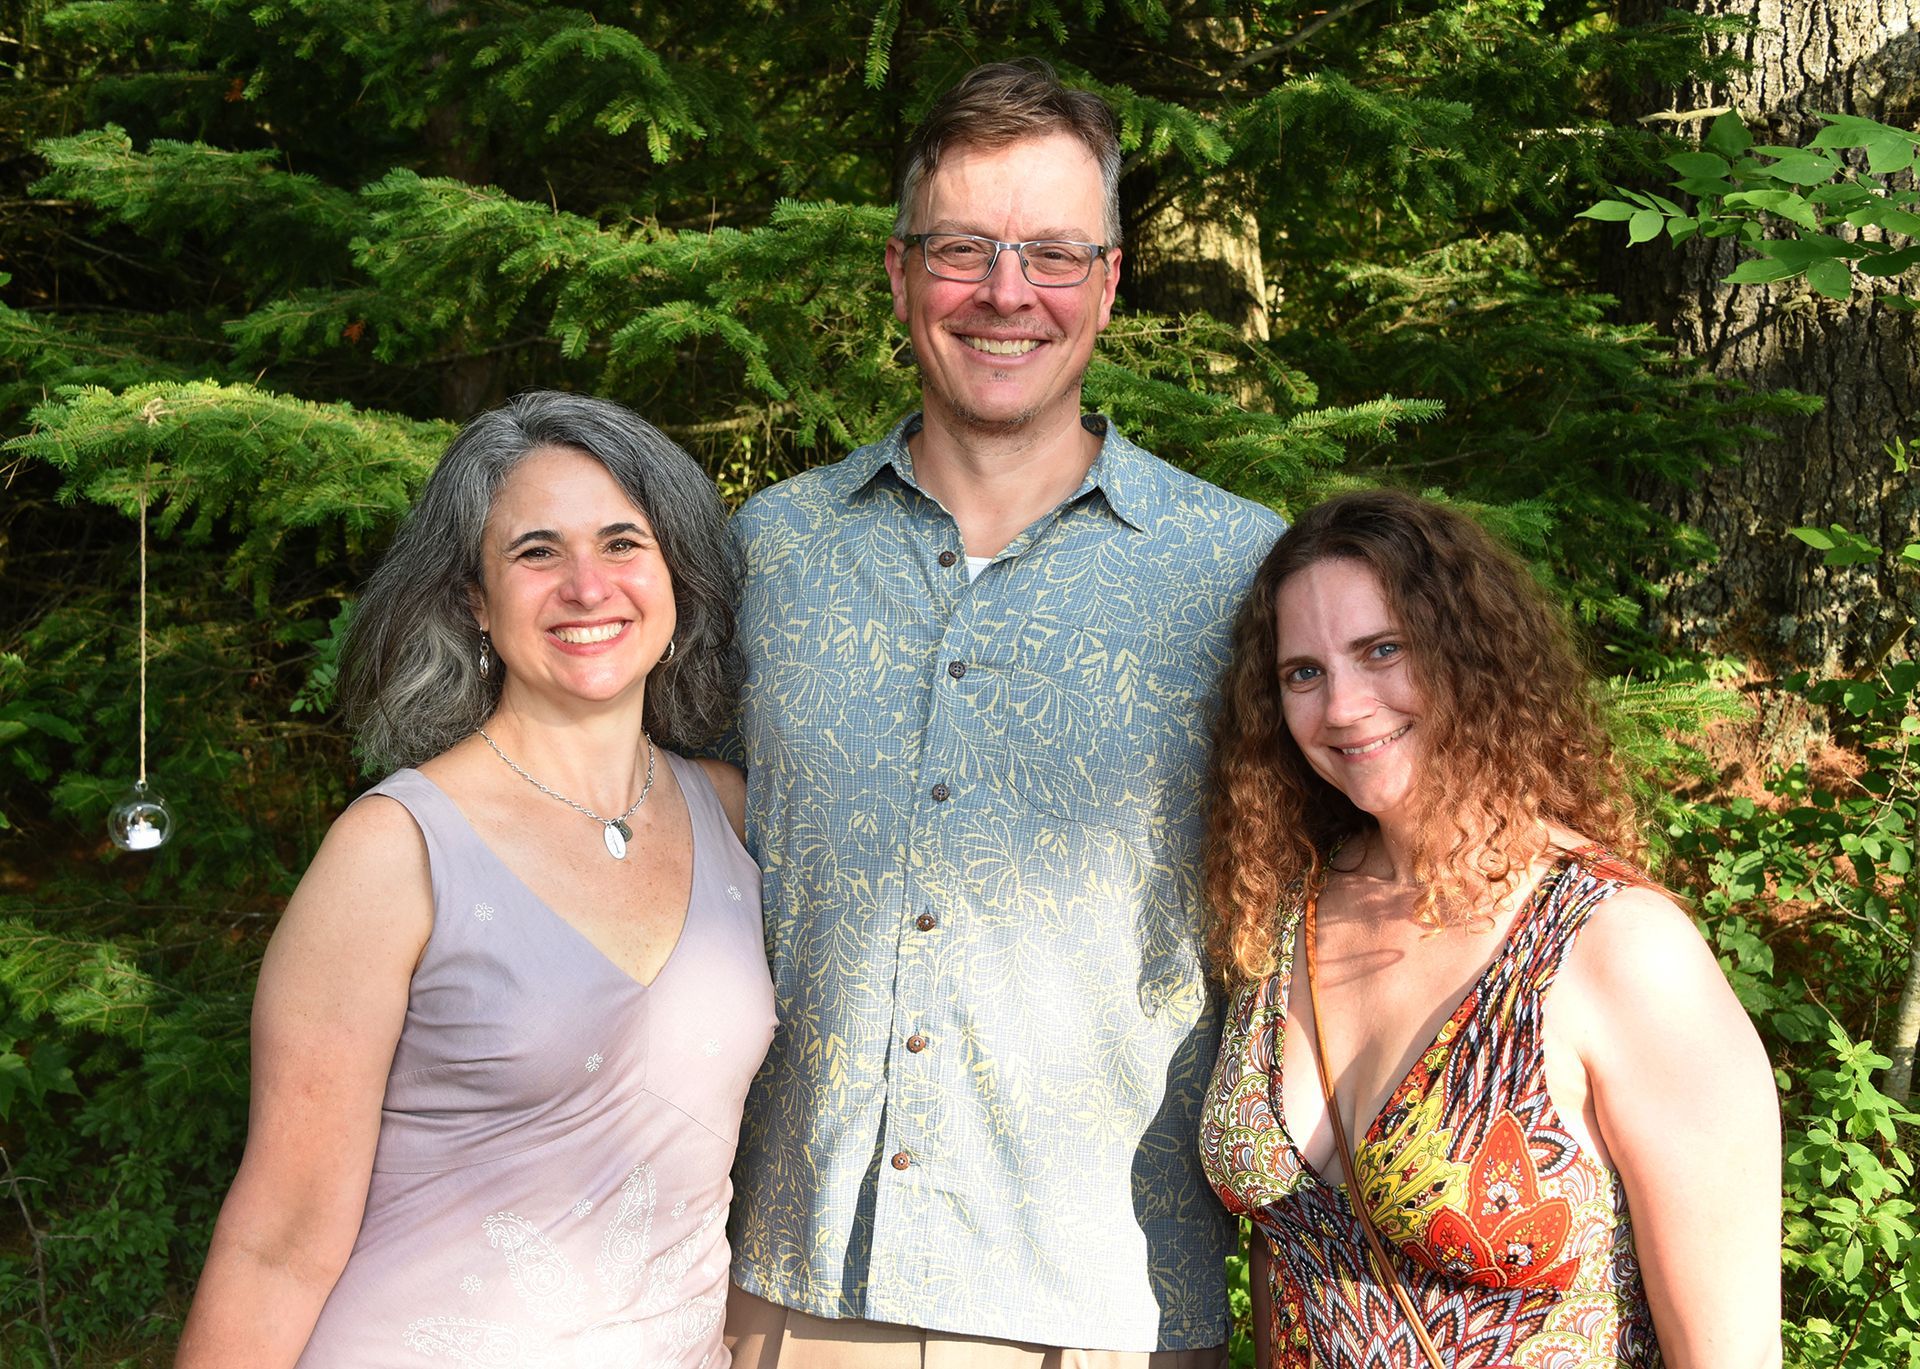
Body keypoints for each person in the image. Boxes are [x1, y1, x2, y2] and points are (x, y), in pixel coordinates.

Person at [723, 61, 1286, 1368]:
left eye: (1051, 252)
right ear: (900, 270)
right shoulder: (770, 553)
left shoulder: (1236, 571)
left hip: (1104, 1308)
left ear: (1112, 276)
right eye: (965, 249)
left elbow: (1348, 880)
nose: (1006, 293)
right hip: (798, 1292)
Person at [176, 391, 776, 1368]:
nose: (588, 585)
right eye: (536, 551)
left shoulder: (736, 815)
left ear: (678, 574)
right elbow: (277, 1242)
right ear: (472, 598)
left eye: (623, 541)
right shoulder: (394, 851)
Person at [1198, 488, 1782, 1368]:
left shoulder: (1615, 947)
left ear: (1468, 656)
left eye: (1382, 650)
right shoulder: (1285, 913)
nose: (1345, 706)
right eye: (1303, 672)